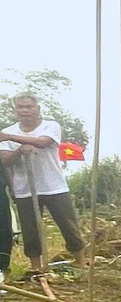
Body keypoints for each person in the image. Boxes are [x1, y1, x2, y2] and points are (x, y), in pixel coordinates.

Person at [0, 93, 85, 274]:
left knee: (68, 224)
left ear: (37, 109)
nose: (25, 111)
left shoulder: (50, 126)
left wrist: (12, 138)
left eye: (29, 107)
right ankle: (36, 268)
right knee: (30, 231)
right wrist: (20, 152)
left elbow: (42, 142)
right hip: (25, 190)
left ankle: (80, 261)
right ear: (15, 110)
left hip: (54, 186)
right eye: (20, 107)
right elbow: (5, 161)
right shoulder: (9, 130)